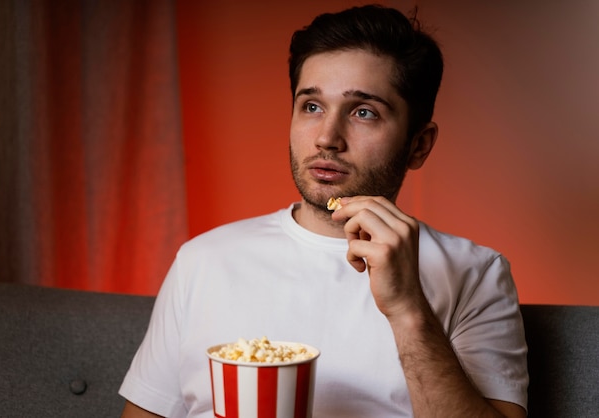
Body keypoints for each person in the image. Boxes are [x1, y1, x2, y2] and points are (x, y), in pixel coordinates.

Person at [119, 4, 528, 417]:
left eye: (363, 112)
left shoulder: (476, 273)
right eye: (311, 106)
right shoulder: (202, 260)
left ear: (418, 144)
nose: (327, 138)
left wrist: (407, 311)